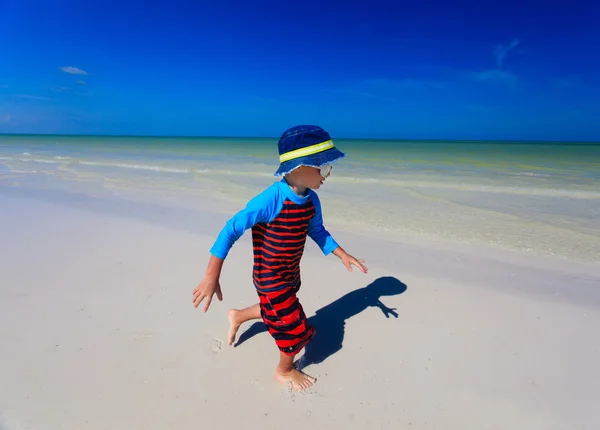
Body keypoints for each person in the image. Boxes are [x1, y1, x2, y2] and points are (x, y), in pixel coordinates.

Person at [192, 124, 368, 391]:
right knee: (294, 326)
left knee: (275, 310)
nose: (327, 173)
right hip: (269, 275)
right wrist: (211, 276)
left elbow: (317, 231)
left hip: (289, 272)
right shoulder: (270, 200)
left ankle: (238, 316)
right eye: (322, 167)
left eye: (328, 167)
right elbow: (231, 229)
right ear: (298, 167)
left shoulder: (311, 201)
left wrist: (341, 253)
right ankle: (284, 370)